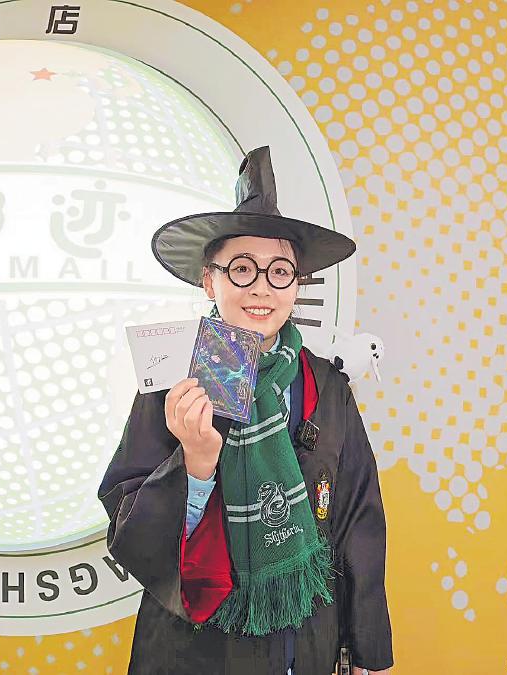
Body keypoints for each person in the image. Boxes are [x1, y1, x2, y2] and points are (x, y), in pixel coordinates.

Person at [98, 147, 393, 674]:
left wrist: (367, 650)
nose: (261, 287)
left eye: (280, 271)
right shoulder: (173, 381)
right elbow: (126, 522)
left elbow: (358, 517)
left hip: (304, 639)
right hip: (197, 646)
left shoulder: (326, 387)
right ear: (209, 280)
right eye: (241, 269)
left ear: (297, 285)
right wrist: (196, 467)